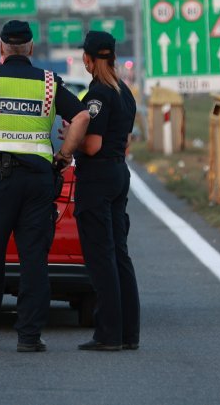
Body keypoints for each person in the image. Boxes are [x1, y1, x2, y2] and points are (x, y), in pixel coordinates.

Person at [0, 20, 89, 352]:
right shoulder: (50, 83)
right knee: (34, 260)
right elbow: (82, 116)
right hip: (38, 182)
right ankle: (29, 337)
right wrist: (64, 155)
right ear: (30, 49)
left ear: (0, 48)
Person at [72, 30, 140, 351]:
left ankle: (108, 334)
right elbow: (122, 140)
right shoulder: (125, 92)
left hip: (97, 178)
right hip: (118, 173)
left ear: (88, 59)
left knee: (101, 257)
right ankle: (129, 333)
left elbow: (93, 145)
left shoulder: (98, 94)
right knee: (119, 254)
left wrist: (70, 136)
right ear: (111, 57)